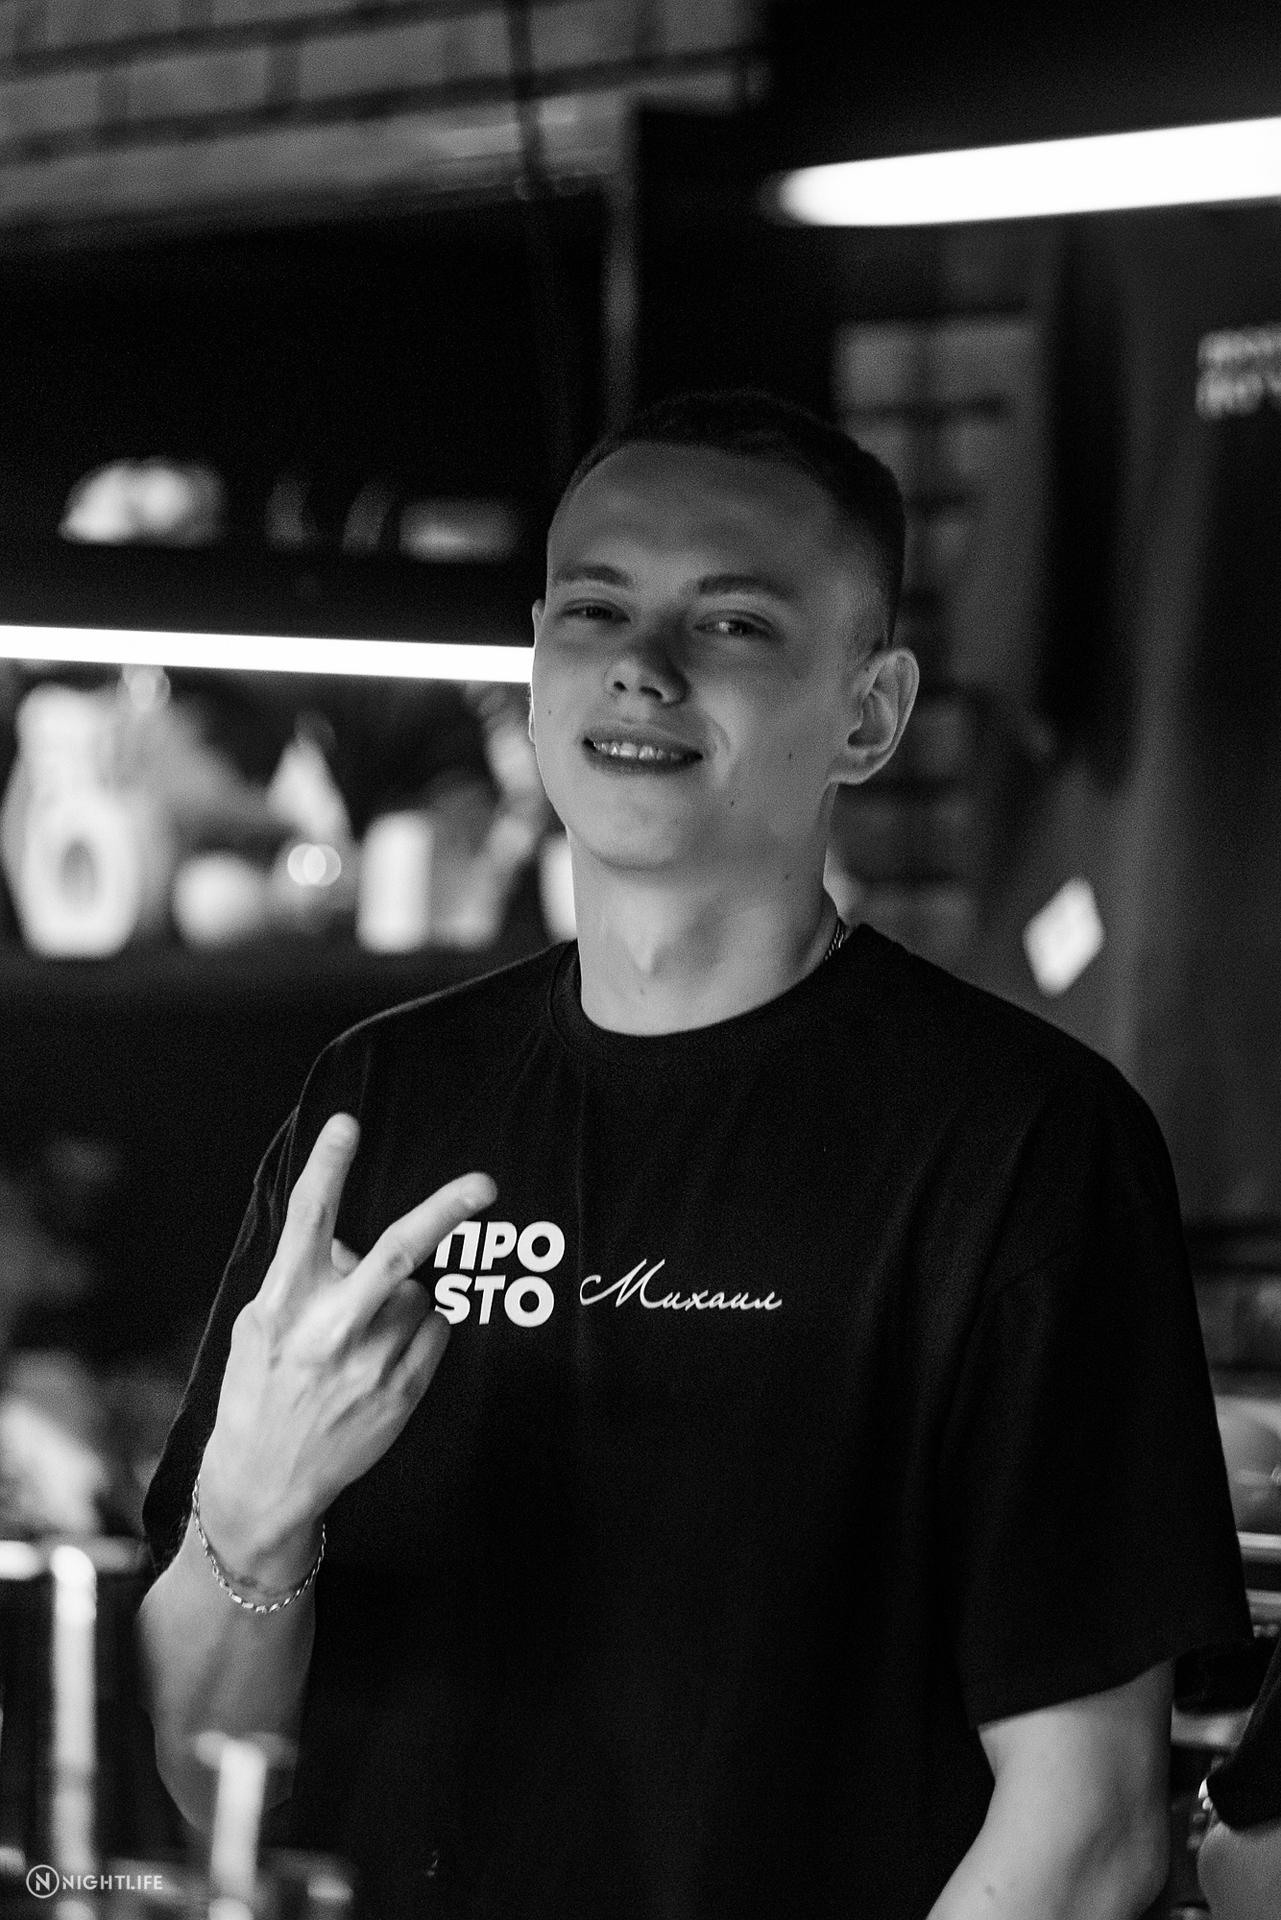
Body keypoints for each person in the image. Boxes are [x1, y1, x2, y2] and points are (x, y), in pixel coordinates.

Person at [138, 389, 1249, 1920]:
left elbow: (1086, 1830)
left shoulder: (1023, 1145)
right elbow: (200, 1781)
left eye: (730, 624)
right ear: (537, 666)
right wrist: (252, 1515)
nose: (641, 668)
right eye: (596, 608)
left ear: (868, 715)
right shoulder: (379, 1101)